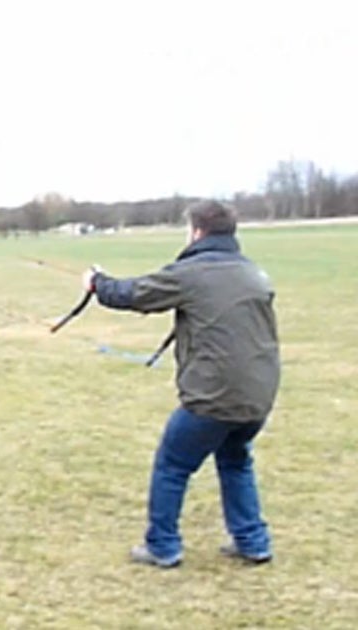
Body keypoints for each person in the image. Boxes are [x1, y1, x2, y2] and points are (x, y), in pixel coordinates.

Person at [82, 200, 280, 569]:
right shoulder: (254, 273)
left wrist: (97, 283)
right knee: (236, 460)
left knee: (172, 465)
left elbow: (134, 294)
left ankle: (162, 546)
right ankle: (253, 541)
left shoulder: (192, 271)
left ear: (197, 231)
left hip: (213, 398)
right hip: (258, 395)